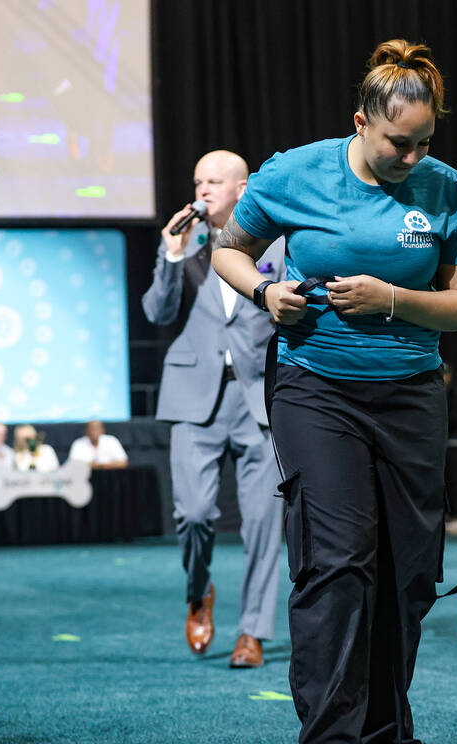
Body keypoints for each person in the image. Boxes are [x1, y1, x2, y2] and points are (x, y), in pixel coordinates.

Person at [210, 39, 457, 744]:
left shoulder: (448, 190)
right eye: (400, 141)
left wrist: (391, 299)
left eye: (425, 141)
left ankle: (389, 735)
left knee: (411, 572)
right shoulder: (295, 171)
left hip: (412, 392)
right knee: (337, 562)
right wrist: (265, 294)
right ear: (359, 122)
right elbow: (229, 252)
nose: (413, 155)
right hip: (314, 388)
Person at [142, 148, 286, 670]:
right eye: (198, 180)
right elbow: (158, 313)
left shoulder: (276, 239)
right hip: (193, 394)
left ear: (242, 189)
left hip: (259, 397)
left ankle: (253, 631)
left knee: (264, 519)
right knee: (195, 513)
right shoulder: (187, 242)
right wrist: (171, 256)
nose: (202, 189)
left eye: (214, 181)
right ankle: (199, 590)